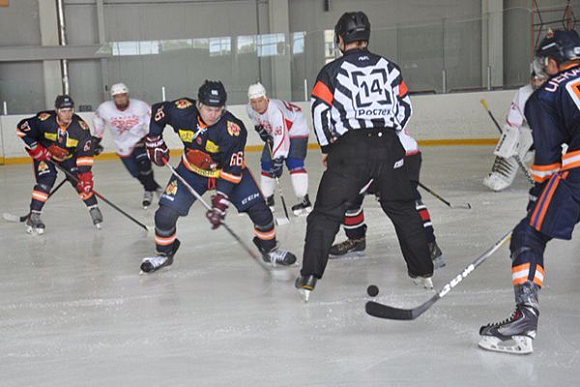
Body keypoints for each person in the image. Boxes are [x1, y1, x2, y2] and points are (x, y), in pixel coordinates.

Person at [294, 12, 433, 301]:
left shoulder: (331, 71)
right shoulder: (390, 68)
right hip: (389, 146)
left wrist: (327, 148)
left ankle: (309, 277)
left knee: (325, 213)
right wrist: (391, 130)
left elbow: (320, 112)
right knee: (404, 208)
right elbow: (405, 108)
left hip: (351, 149)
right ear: (366, 37)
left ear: (341, 39)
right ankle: (423, 272)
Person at [478, 29, 580, 354]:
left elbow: (547, 163)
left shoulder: (546, 93)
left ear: (553, 61)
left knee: (528, 235)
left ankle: (524, 318)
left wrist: (537, 198)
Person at [140, 80, 297, 273]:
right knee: (164, 215)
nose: (213, 115)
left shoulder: (234, 130)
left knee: (261, 211)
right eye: (208, 109)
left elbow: (232, 169)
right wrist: (154, 139)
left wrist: (221, 200)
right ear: (199, 104)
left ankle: (269, 249)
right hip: (191, 171)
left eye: (218, 109)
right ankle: (164, 254)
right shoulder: (181, 111)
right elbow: (158, 112)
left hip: (225, 173)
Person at [329, 126, 445, 269]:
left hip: (397, 153)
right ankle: (356, 239)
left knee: (405, 199)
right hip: (372, 152)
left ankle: (428, 244)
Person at [16, 95, 102, 234]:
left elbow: (84, 154)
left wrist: (86, 176)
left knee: (78, 179)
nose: (67, 114)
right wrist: (36, 148)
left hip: (67, 157)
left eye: (70, 110)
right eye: (63, 111)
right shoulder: (44, 120)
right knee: (46, 180)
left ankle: (93, 208)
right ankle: (35, 215)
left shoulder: (81, 128)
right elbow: (21, 129)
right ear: (56, 110)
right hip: (45, 155)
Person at [92, 83, 162, 209]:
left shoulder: (139, 106)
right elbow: (98, 119)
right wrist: (97, 138)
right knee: (135, 173)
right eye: (117, 96)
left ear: (127, 95)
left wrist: (148, 136)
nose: (120, 99)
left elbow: (151, 120)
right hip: (122, 145)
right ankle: (153, 188)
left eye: (123, 96)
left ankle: (149, 192)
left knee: (144, 164)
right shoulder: (105, 108)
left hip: (139, 142)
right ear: (113, 98)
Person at [246, 82, 312, 216]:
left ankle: (305, 201)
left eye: (260, 101)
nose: (257, 105)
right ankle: (268, 201)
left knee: (294, 162)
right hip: (278, 130)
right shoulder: (250, 108)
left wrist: (278, 158)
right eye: (254, 102)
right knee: (266, 163)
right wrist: (260, 129)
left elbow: (280, 136)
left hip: (296, 127)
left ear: (266, 98)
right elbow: (256, 120)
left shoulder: (274, 111)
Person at [483, 70, 548, 191]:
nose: (536, 83)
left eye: (540, 80)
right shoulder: (523, 92)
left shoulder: (558, 90)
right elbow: (515, 116)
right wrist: (511, 135)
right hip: (531, 128)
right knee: (516, 136)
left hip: (553, 131)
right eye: (534, 80)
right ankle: (502, 175)